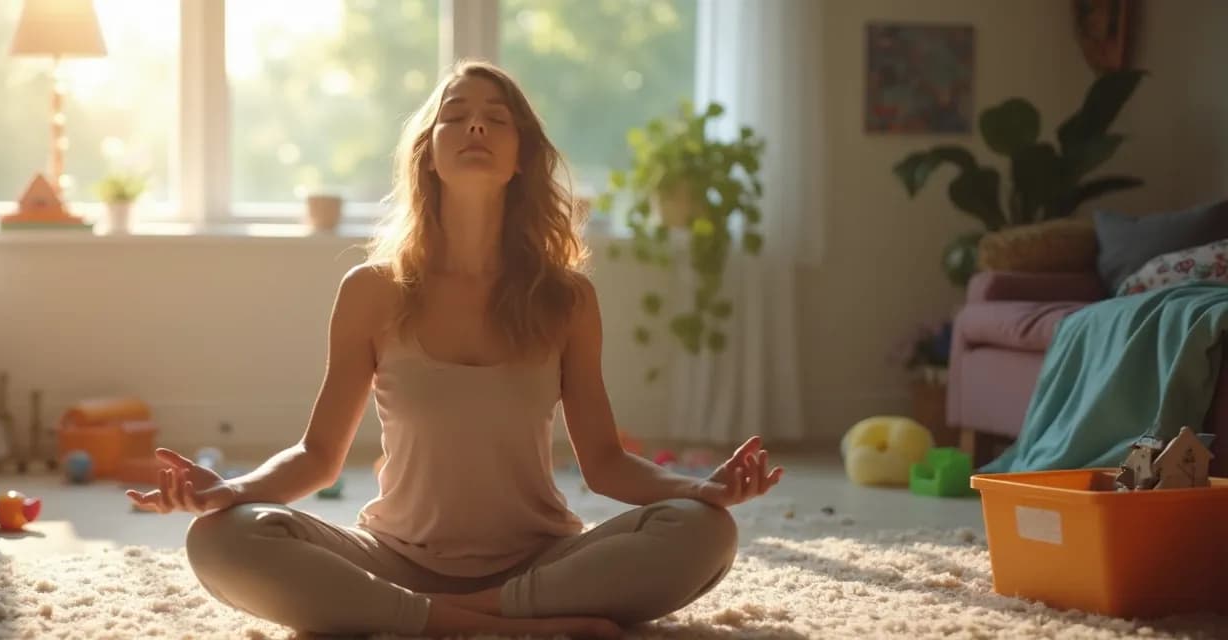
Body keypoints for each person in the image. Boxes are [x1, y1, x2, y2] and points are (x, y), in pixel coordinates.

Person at [126, 60, 784, 639]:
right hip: (393, 558)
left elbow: (606, 465)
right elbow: (318, 457)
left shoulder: (568, 300)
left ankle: (446, 612)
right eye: (456, 116)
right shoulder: (371, 291)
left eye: (496, 119)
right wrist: (229, 490)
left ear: (520, 155)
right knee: (220, 539)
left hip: (540, 560)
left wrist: (703, 490)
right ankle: (474, 619)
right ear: (428, 154)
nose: (475, 127)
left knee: (705, 532)